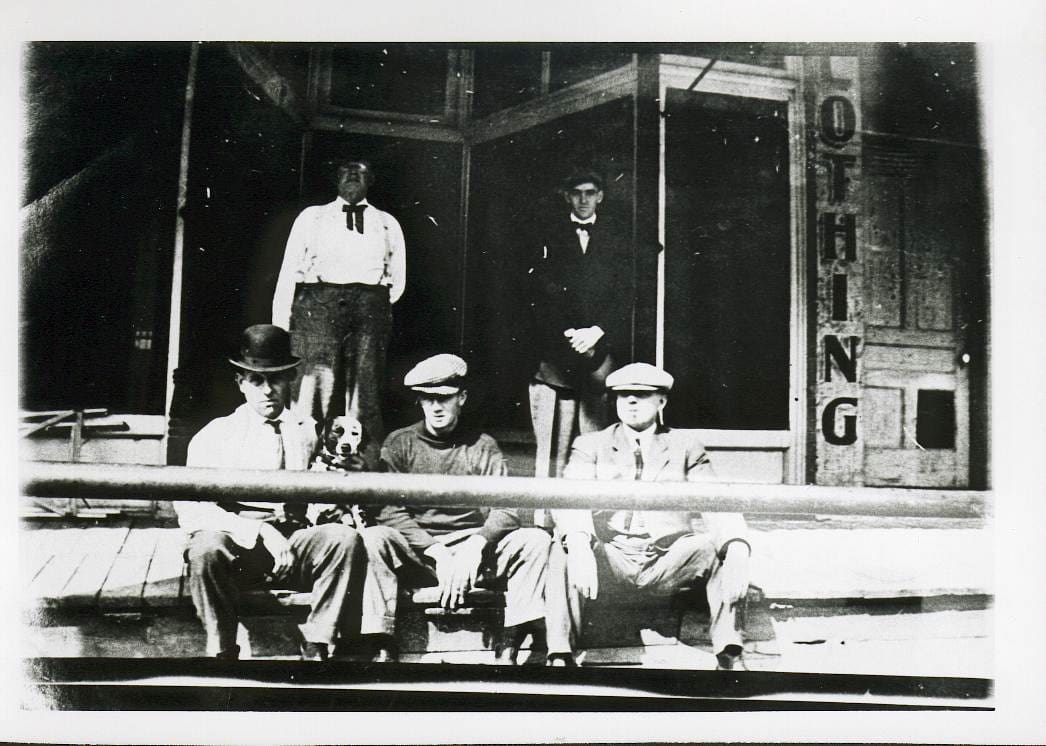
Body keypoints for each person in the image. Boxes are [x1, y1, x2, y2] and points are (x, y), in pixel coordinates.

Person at [175, 324, 365, 661]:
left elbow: (325, 488)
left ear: (291, 378)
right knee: (204, 548)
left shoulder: (308, 431)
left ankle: (317, 644)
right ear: (241, 383)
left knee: (343, 540)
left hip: (294, 543)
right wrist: (259, 530)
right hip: (241, 548)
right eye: (256, 380)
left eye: (276, 379)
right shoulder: (217, 435)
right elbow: (191, 511)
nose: (267, 390)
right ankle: (221, 650)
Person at [545, 363, 752, 670]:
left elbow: (716, 500)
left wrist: (737, 547)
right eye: (623, 395)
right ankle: (560, 656)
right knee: (561, 548)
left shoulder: (685, 446)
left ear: (662, 402)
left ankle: (729, 653)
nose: (630, 402)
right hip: (612, 556)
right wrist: (577, 542)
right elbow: (569, 497)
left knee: (718, 549)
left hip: (666, 559)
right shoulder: (591, 445)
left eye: (641, 395)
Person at [360, 354, 552, 663]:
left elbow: (506, 507)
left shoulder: (481, 444)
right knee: (374, 537)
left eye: (444, 398)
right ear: (419, 402)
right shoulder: (400, 443)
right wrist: (436, 551)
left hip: (472, 557)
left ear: (461, 397)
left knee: (535, 541)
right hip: (419, 553)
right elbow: (388, 510)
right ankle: (381, 641)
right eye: (427, 399)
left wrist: (474, 547)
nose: (436, 407)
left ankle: (512, 639)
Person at [272, 158, 406, 468]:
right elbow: (289, 268)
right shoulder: (312, 217)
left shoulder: (387, 223)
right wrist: (282, 323)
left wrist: (370, 303)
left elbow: (397, 282)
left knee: (365, 393)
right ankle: (302, 473)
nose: (352, 177)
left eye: (359, 173)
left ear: (369, 180)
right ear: (336, 179)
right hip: (317, 308)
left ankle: (363, 478)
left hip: (368, 309)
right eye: (346, 172)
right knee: (311, 391)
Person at [527, 167, 633, 480]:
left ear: (600, 196)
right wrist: (569, 334)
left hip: (601, 352)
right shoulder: (547, 235)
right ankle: (545, 517)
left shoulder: (618, 239)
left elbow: (627, 293)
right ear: (567, 196)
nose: (583, 200)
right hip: (557, 351)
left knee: (598, 434)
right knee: (553, 441)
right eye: (577, 193)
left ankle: (595, 516)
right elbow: (537, 293)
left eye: (590, 193)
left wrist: (597, 332)